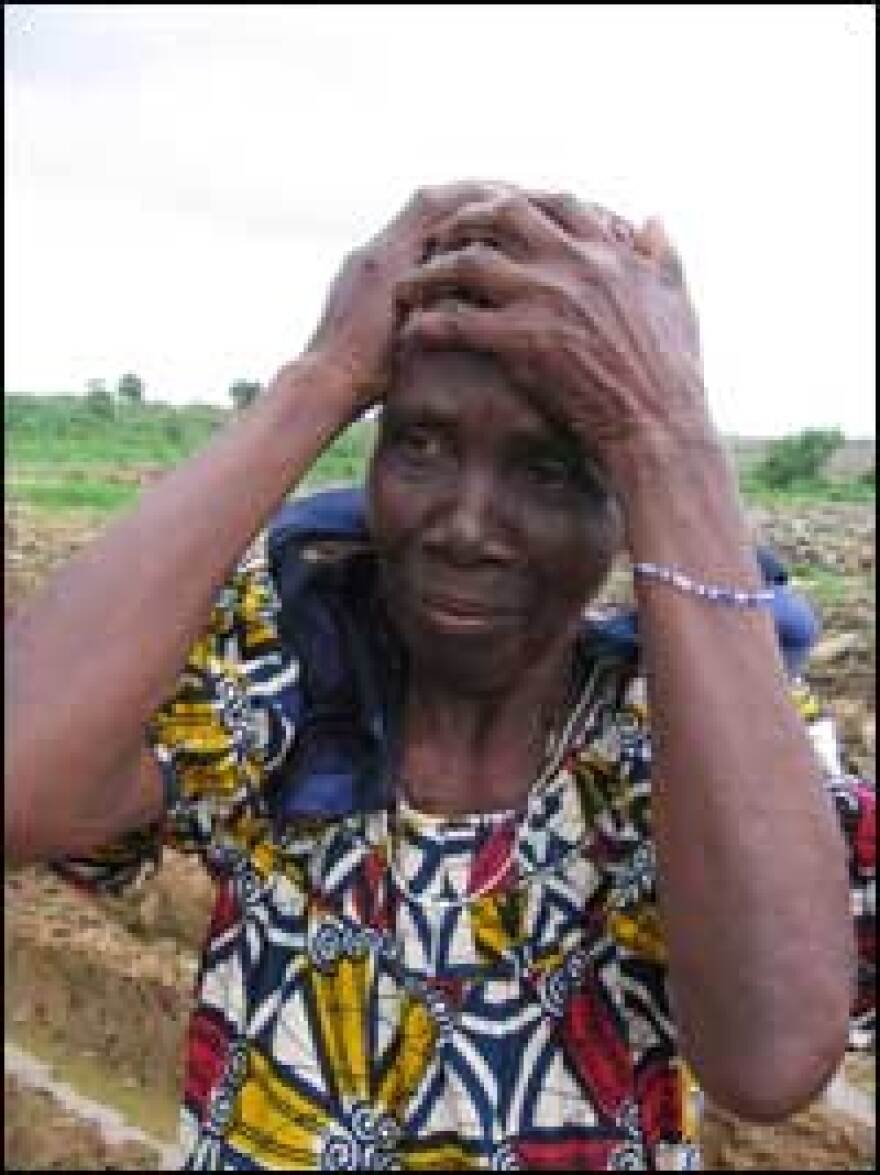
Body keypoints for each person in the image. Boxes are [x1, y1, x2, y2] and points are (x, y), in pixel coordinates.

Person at [6, 183, 874, 1171]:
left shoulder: (672, 729)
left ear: (622, 504)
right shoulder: (289, 667)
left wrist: (668, 431)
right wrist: (322, 373)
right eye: (418, 442)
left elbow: (768, 1059)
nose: (466, 524)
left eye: (548, 468)